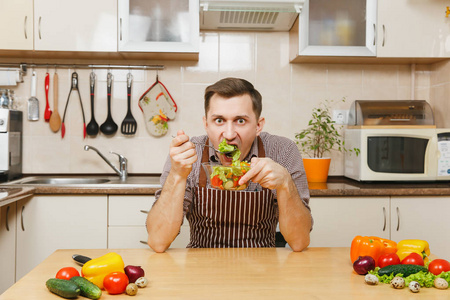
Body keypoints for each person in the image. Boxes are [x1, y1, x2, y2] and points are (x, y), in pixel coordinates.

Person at [146, 78, 312, 252]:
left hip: (264, 266)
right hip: (200, 265)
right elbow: (158, 241)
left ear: (258, 126)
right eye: (219, 120)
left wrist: (285, 184)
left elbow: (299, 241)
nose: (229, 134)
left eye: (240, 120)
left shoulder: (282, 151)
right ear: (206, 124)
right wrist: (177, 174)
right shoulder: (187, 154)